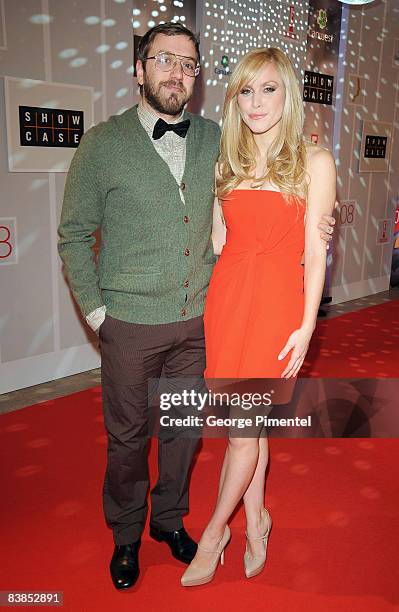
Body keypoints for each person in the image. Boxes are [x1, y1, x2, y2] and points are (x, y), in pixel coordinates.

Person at [58, 22, 335, 590]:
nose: (177, 72)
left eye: (188, 64)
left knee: (195, 433)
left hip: (203, 319)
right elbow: (74, 235)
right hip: (137, 321)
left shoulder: (219, 139)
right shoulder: (106, 143)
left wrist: (310, 277)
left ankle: (183, 525)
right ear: (139, 69)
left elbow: (283, 236)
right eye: (164, 60)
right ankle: (129, 536)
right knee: (131, 436)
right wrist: (96, 313)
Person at [181, 47, 336, 587]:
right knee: (245, 430)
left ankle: (213, 533)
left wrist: (308, 325)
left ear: (287, 94)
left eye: (268, 89)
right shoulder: (228, 161)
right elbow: (222, 242)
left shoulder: (315, 162)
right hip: (227, 303)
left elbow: (316, 254)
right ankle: (256, 520)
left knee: (243, 433)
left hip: (276, 309)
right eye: (246, 91)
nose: (256, 102)